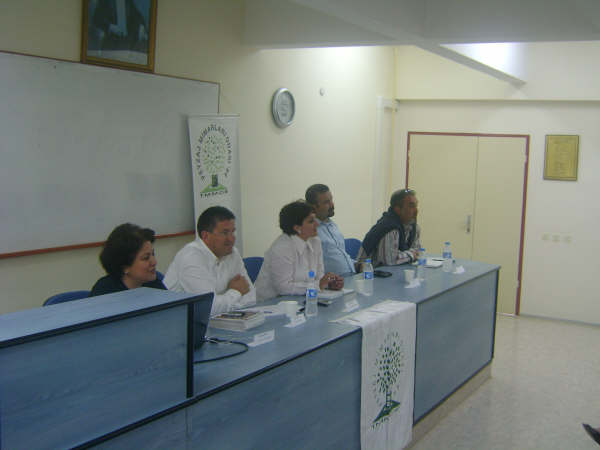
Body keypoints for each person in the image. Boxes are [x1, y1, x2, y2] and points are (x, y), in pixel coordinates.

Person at [164, 206, 255, 316]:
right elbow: (209, 308)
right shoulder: (191, 257)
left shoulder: (232, 253)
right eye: (225, 233)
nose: (231, 239)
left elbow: (250, 296)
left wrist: (227, 303)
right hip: (178, 321)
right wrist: (236, 292)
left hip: (221, 320)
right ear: (205, 236)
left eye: (232, 232)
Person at [255, 200, 344, 301]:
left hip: (302, 300)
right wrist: (318, 285)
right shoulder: (281, 249)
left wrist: (329, 284)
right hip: (271, 303)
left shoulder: (315, 241)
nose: (317, 224)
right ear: (297, 228)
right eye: (311, 221)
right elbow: (283, 288)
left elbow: (319, 277)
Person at [91, 223, 166, 296]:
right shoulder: (104, 291)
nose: (154, 262)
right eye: (146, 258)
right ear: (125, 267)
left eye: (153, 254)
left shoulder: (154, 284)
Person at [356, 188, 421, 267]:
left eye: (416, 206)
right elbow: (389, 260)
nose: (416, 211)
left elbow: (417, 250)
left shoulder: (413, 227)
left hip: (394, 270)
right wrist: (411, 255)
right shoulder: (389, 227)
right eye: (411, 206)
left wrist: (407, 255)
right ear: (397, 209)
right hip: (369, 272)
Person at [305, 184, 355, 275]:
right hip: (333, 282)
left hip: (350, 277)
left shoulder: (332, 225)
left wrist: (357, 265)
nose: (332, 204)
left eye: (331, 199)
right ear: (314, 207)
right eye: (326, 202)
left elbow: (340, 257)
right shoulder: (310, 232)